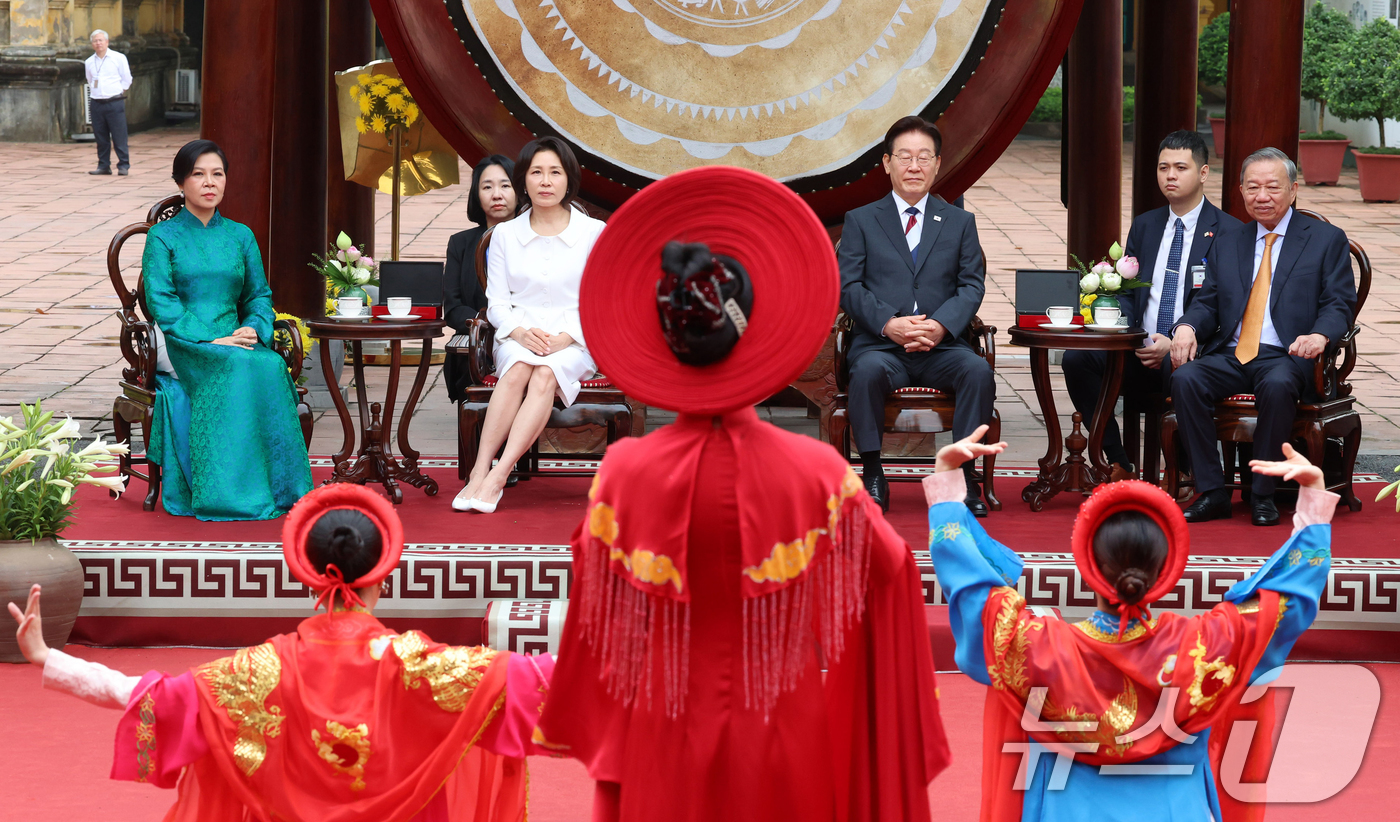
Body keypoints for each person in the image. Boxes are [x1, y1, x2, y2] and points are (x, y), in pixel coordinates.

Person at [537, 165, 950, 822]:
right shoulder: (817, 473)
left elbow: (597, 610)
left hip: (661, 736)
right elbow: (891, 572)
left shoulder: (623, 473)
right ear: (753, 331)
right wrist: (947, 501)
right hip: (782, 736)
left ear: (667, 342)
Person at [9, 483, 552, 822]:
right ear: (382, 577)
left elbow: (145, 694)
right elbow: (543, 681)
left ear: (308, 577)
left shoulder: (256, 671)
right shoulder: (424, 666)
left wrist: (49, 658)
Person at [927, 427, 1332, 821]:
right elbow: (1287, 603)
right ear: (1164, 571)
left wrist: (946, 489)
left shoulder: (1040, 647)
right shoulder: (1204, 645)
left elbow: (973, 592)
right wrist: (1313, 505)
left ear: (1089, 567)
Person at [1171, 147, 1357, 526]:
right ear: (1241, 191)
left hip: (1288, 354)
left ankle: (1263, 493)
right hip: (1232, 353)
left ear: (1293, 189)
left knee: (1277, 384)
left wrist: (1320, 336)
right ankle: (1213, 492)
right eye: (1253, 187)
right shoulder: (1229, 241)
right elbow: (1207, 302)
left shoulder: (1325, 239)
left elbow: (1339, 303)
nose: (1262, 196)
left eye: (1273, 187)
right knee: (1185, 378)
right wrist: (1187, 326)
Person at [143, 139, 313, 520]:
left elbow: (258, 295)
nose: (209, 182)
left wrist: (253, 327)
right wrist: (210, 338)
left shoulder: (241, 236)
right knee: (236, 364)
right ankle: (228, 493)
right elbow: (161, 301)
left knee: (270, 364)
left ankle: (283, 487)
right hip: (182, 339)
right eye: (198, 174)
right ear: (181, 182)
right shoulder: (162, 237)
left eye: (217, 174)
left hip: (235, 338)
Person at [1061, 130, 1242, 480]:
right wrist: (1132, 336)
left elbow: (1224, 304)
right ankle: (1116, 461)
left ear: (1203, 173)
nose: (1170, 176)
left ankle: (1186, 468)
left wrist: (1173, 342)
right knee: (1077, 359)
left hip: (1193, 351)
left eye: (1180, 168)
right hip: (1139, 348)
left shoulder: (1228, 232)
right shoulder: (1146, 225)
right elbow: (1129, 292)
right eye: (1163, 168)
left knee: (1183, 369)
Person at [838, 115, 994, 516]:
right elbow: (848, 287)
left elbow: (971, 285)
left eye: (924, 157)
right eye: (904, 157)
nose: (914, 166)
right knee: (866, 372)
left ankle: (962, 474)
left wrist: (941, 326)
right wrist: (888, 324)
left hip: (942, 348)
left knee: (977, 372)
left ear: (937, 164)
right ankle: (873, 473)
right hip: (881, 346)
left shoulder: (960, 222)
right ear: (887, 163)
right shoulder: (861, 220)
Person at [453, 137, 605, 513]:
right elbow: (497, 303)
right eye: (536, 172)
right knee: (520, 367)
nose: (546, 181)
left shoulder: (593, 233)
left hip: (575, 339)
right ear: (524, 180)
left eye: (555, 172)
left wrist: (567, 337)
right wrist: (520, 333)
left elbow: (602, 301)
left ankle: (497, 476)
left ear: (569, 180)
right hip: (518, 334)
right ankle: (478, 471)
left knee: (545, 374)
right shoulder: (505, 235)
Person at [444, 155, 518, 402]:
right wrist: (486, 324)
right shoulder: (461, 243)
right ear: (476, 195)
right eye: (487, 187)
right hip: (478, 347)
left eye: (505, 185)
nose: (497, 195)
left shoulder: (534, 240)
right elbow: (453, 308)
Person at [84, 30, 132, 176]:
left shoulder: (118, 58)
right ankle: (103, 165)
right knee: (101, 136)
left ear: (107, 42)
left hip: (114, 101)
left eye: (101, 40)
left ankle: (123, 165)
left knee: (119, 135)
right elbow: (90, 79)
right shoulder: (89, 62)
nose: (98, 43)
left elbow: (127, 78)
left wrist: (118, 91)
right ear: (92, 44)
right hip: (97, 102)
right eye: (95, 41)